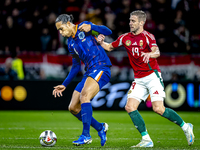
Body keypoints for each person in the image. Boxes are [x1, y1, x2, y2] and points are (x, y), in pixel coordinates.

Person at [97, 10, 194, 148]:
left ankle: (185, 126)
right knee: (130, 107)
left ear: (142, 22)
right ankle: (146, 139)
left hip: (152, 76)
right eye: (130, 20)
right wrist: (102, 43)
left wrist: (150, 54)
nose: (130, 23)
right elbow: (110, 47)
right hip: (138, 79)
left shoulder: (148, 36)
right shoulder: (125, 38)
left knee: (159, 109)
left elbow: (157, 51)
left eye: (133, 21)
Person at [52, 14, 112, 146]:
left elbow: (108, 31)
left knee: (84, 96)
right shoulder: (70, 43)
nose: (61, 33)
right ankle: (100, 127)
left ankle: (86, 135)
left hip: (101, 67)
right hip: (89, 72)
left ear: (68, 24)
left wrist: (92, 26)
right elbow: (75, 66)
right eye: (59, 31)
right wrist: (64, 84)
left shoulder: (84, 27)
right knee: (73, 107)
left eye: (61, 29)